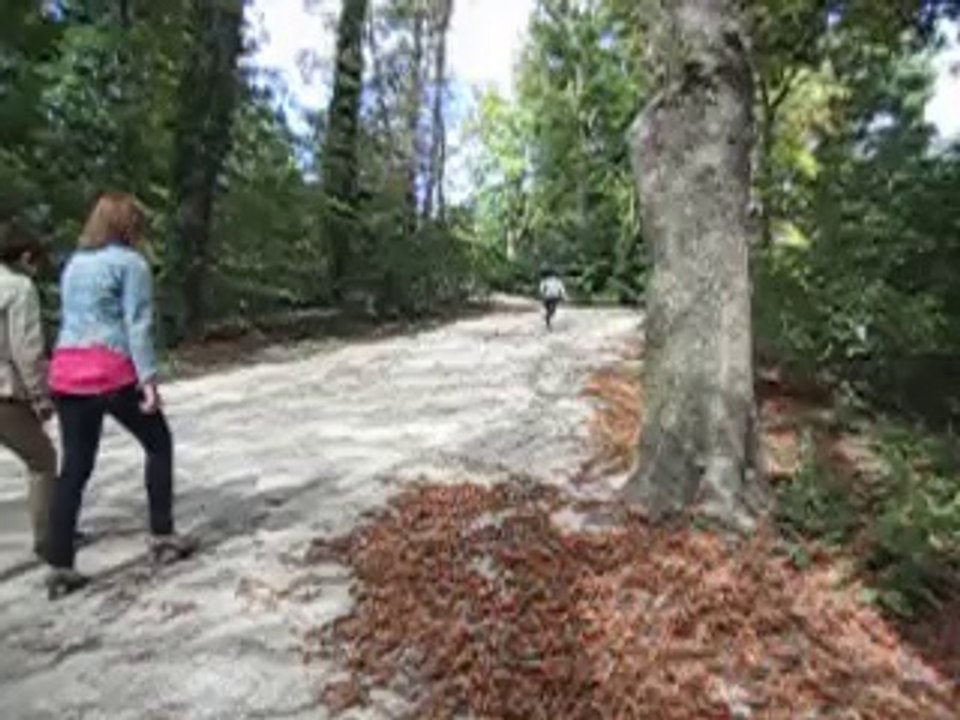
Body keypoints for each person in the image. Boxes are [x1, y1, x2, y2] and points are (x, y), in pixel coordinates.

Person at [45, 192, 194, 599]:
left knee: (74, 466)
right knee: (158, 443)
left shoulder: (74, 265)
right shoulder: (132, 264)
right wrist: (148, 379)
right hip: (111, 369)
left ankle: (59, 564)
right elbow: (138, 323)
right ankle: (162, 536)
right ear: (129, 227)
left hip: (67, 371)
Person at [0, 221, 58, 559]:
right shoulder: (18, 288)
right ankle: (48, 541)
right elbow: (26, 348)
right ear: (24, 256)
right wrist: (41, 395)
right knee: (42, 460)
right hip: (5, 394)